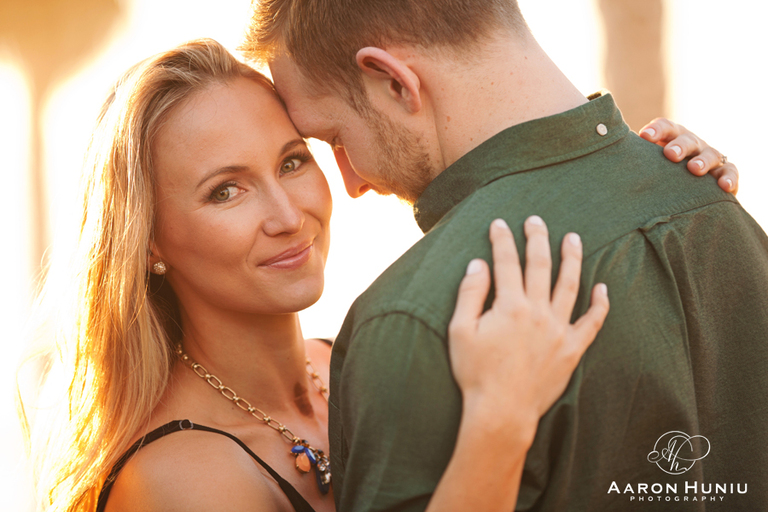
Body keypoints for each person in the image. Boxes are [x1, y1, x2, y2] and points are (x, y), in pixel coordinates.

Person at [20, 38, 731, 512]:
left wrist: (647, 181)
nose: (287, 214)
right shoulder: (178, 479)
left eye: (293, 160)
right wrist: (499, 423)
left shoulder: (353, 361)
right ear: (149, 242)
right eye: (225, 191)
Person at [243, 1, 768, 510]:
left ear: (395, 81)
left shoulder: (415, 318)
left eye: (335, 136)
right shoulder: (718, 208)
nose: (352, 182)